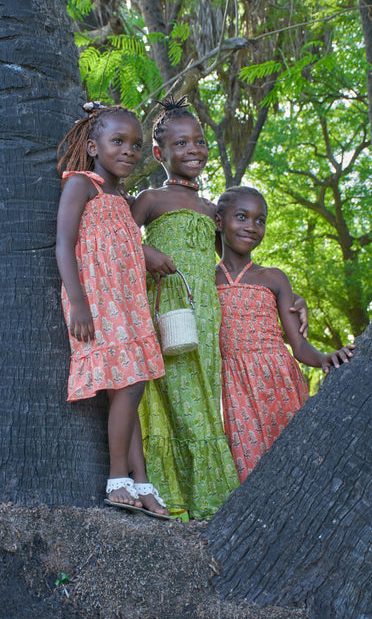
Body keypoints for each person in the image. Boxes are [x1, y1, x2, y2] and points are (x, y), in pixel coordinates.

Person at [131, 96, 308, 518]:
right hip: (164, 312)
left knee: (204, 402)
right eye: (180, 144)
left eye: (198, 142)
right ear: (159, 153)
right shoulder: (151, 198)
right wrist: (145, 252)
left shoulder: (213, 212)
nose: (193, 150)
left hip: (206, 321)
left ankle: (205, 497)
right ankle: (166, 490)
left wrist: (291, 296)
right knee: (170, 398)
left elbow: (233, 267)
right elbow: (116, 238)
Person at [55, 102, 170, 520]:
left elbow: (121, 247)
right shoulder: (81, 185)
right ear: (92, 146)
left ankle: (138, 481)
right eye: (117, 141)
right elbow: (63, 245)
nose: (129, 150)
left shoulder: (122, 198)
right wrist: (80, 303)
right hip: (96, 302)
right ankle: (117, 477)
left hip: (127, 301)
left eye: (136, 144)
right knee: (132, 383)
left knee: (130, 385)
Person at [215, 185, 355, 482]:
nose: (251, 227)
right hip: (233, 383)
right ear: (219, 220)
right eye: (241, 216)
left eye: (259, 220)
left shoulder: (274, 278)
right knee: (248, 468)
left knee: (291, 463)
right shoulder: (205, 276)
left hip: (278, 379)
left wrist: (325, 357)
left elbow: (299, 345)